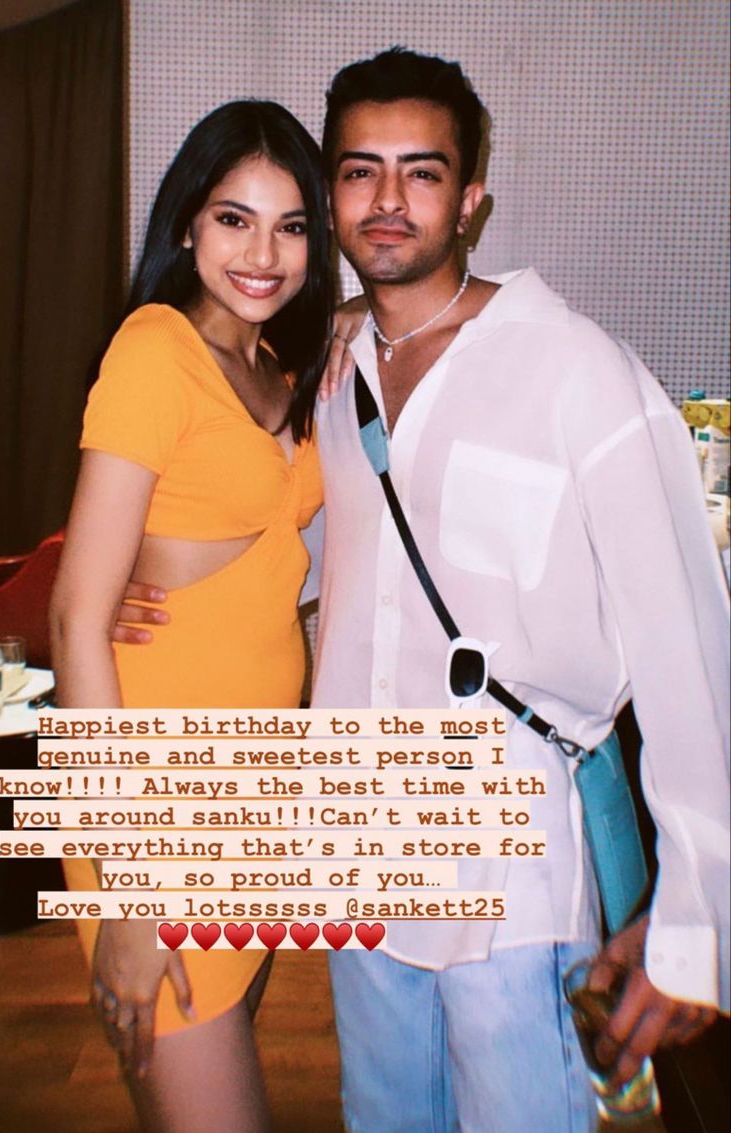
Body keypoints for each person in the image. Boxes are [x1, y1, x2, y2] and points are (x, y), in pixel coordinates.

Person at [119, 49, 730, 1133]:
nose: (388, 201)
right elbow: (254, 528)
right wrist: (134, 574)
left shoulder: (577, 372)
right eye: (358, 172)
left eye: (422, 172)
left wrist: (695, 917)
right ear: (329, 198)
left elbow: (690, 651)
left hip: (517, 872)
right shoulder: (324, 369)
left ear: (472, 199)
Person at [50, 99, 331, 1133]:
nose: (263, 252)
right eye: (233, 219)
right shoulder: (153, 350)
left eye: (291, 226)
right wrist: (125, 898)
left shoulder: (279, 370)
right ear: (184, 226)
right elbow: (80, 618)